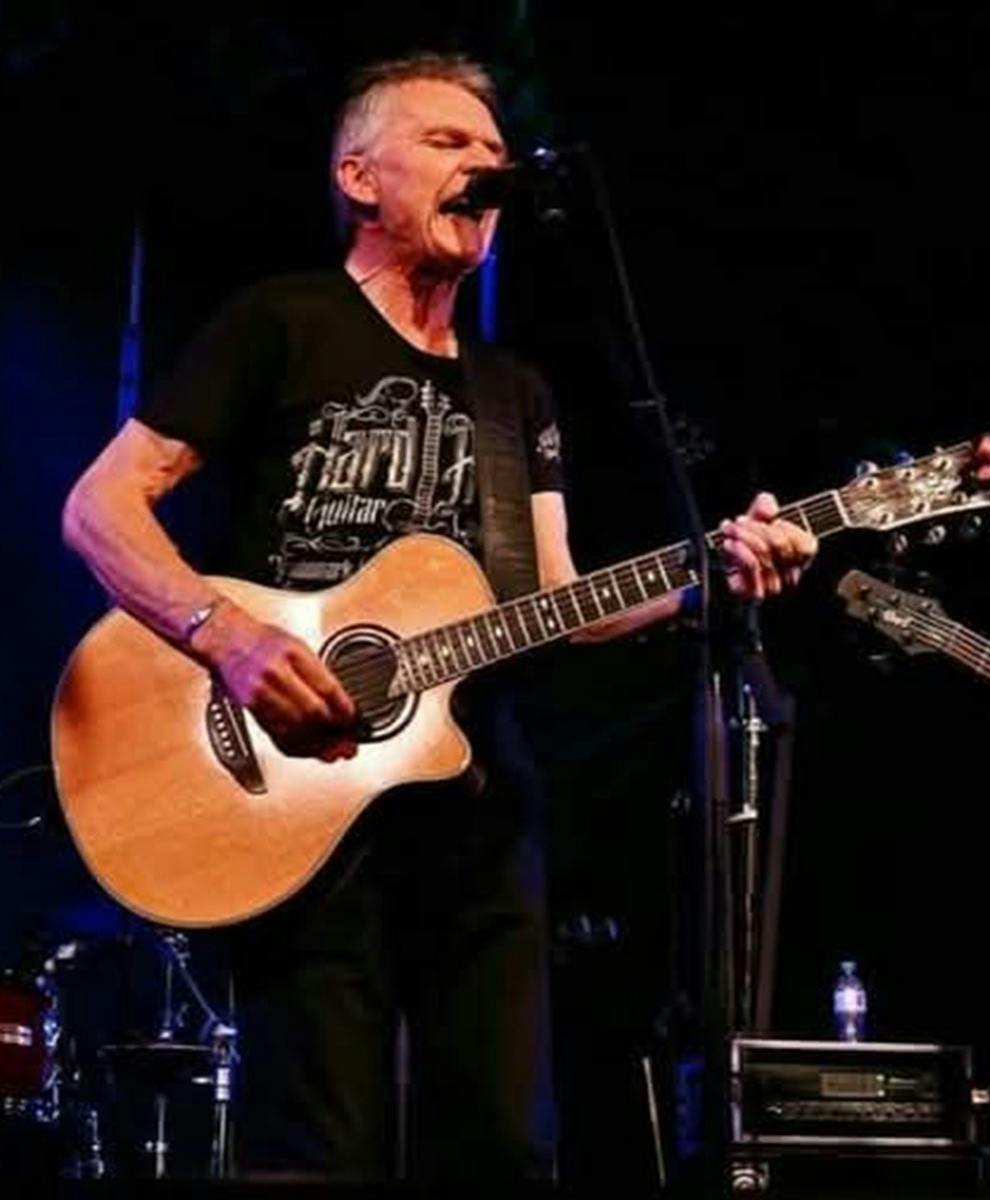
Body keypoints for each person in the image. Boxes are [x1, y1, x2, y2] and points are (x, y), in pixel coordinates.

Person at [59, 52, 817, 1181]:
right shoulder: (281, 319)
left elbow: (555, 606)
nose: (485, 166)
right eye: (448, 142)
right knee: (321, 1150)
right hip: (289, 789)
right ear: (359, 178)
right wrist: (227, 636)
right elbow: (98, 507)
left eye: (496, 152)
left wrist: (707, 577)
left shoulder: (516, 391)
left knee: (507, 1147)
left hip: (477, 804)